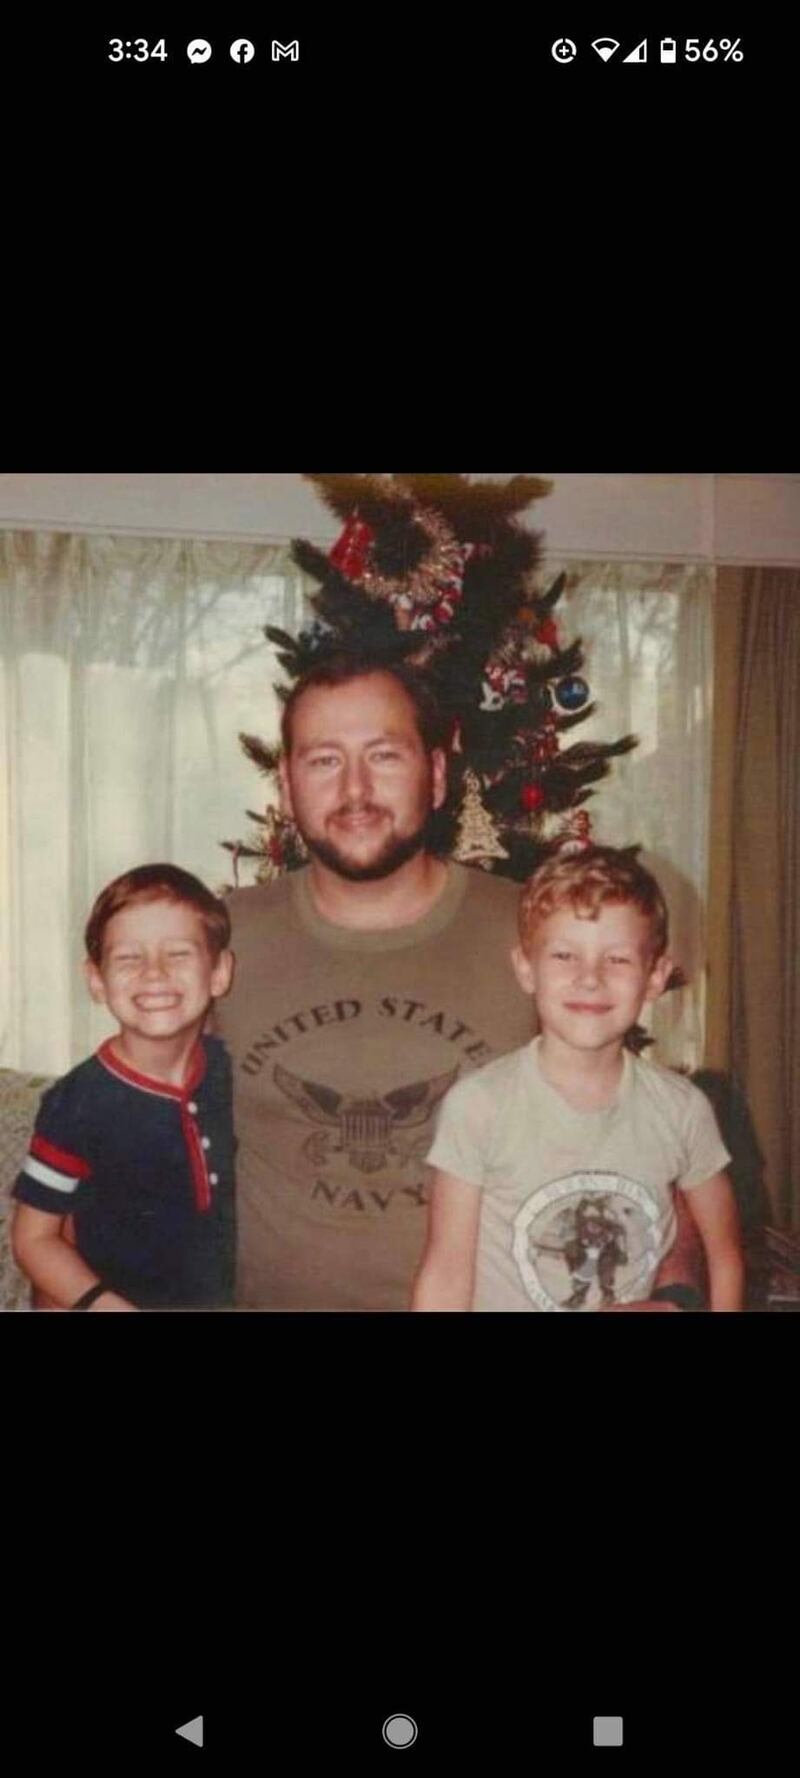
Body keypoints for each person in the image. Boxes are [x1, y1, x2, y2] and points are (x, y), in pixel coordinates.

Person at [216, 655, 707, 1312]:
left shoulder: (540, 936)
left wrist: (674, 1294)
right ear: (285, 783)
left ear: (438, 774)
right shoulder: (218, 940)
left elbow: (657, 1153)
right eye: (324, 760)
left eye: (384, 756)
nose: (356, 789)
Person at [412, 846, 745, 1312]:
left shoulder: (683, 1109)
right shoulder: (478, 1106)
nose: (590, 978)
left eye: (618, 959)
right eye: (565, 955)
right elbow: (446, 1274)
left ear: (655, 977)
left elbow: (724, 1257)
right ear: (526, 968)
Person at [12, 864, 235, 1311]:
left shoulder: (230, 1072)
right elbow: (33, 1240)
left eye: (178, 954)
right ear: (96, 980)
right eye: (129, 958)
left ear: (219, 972)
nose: (154, 973)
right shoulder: (77, 1103)